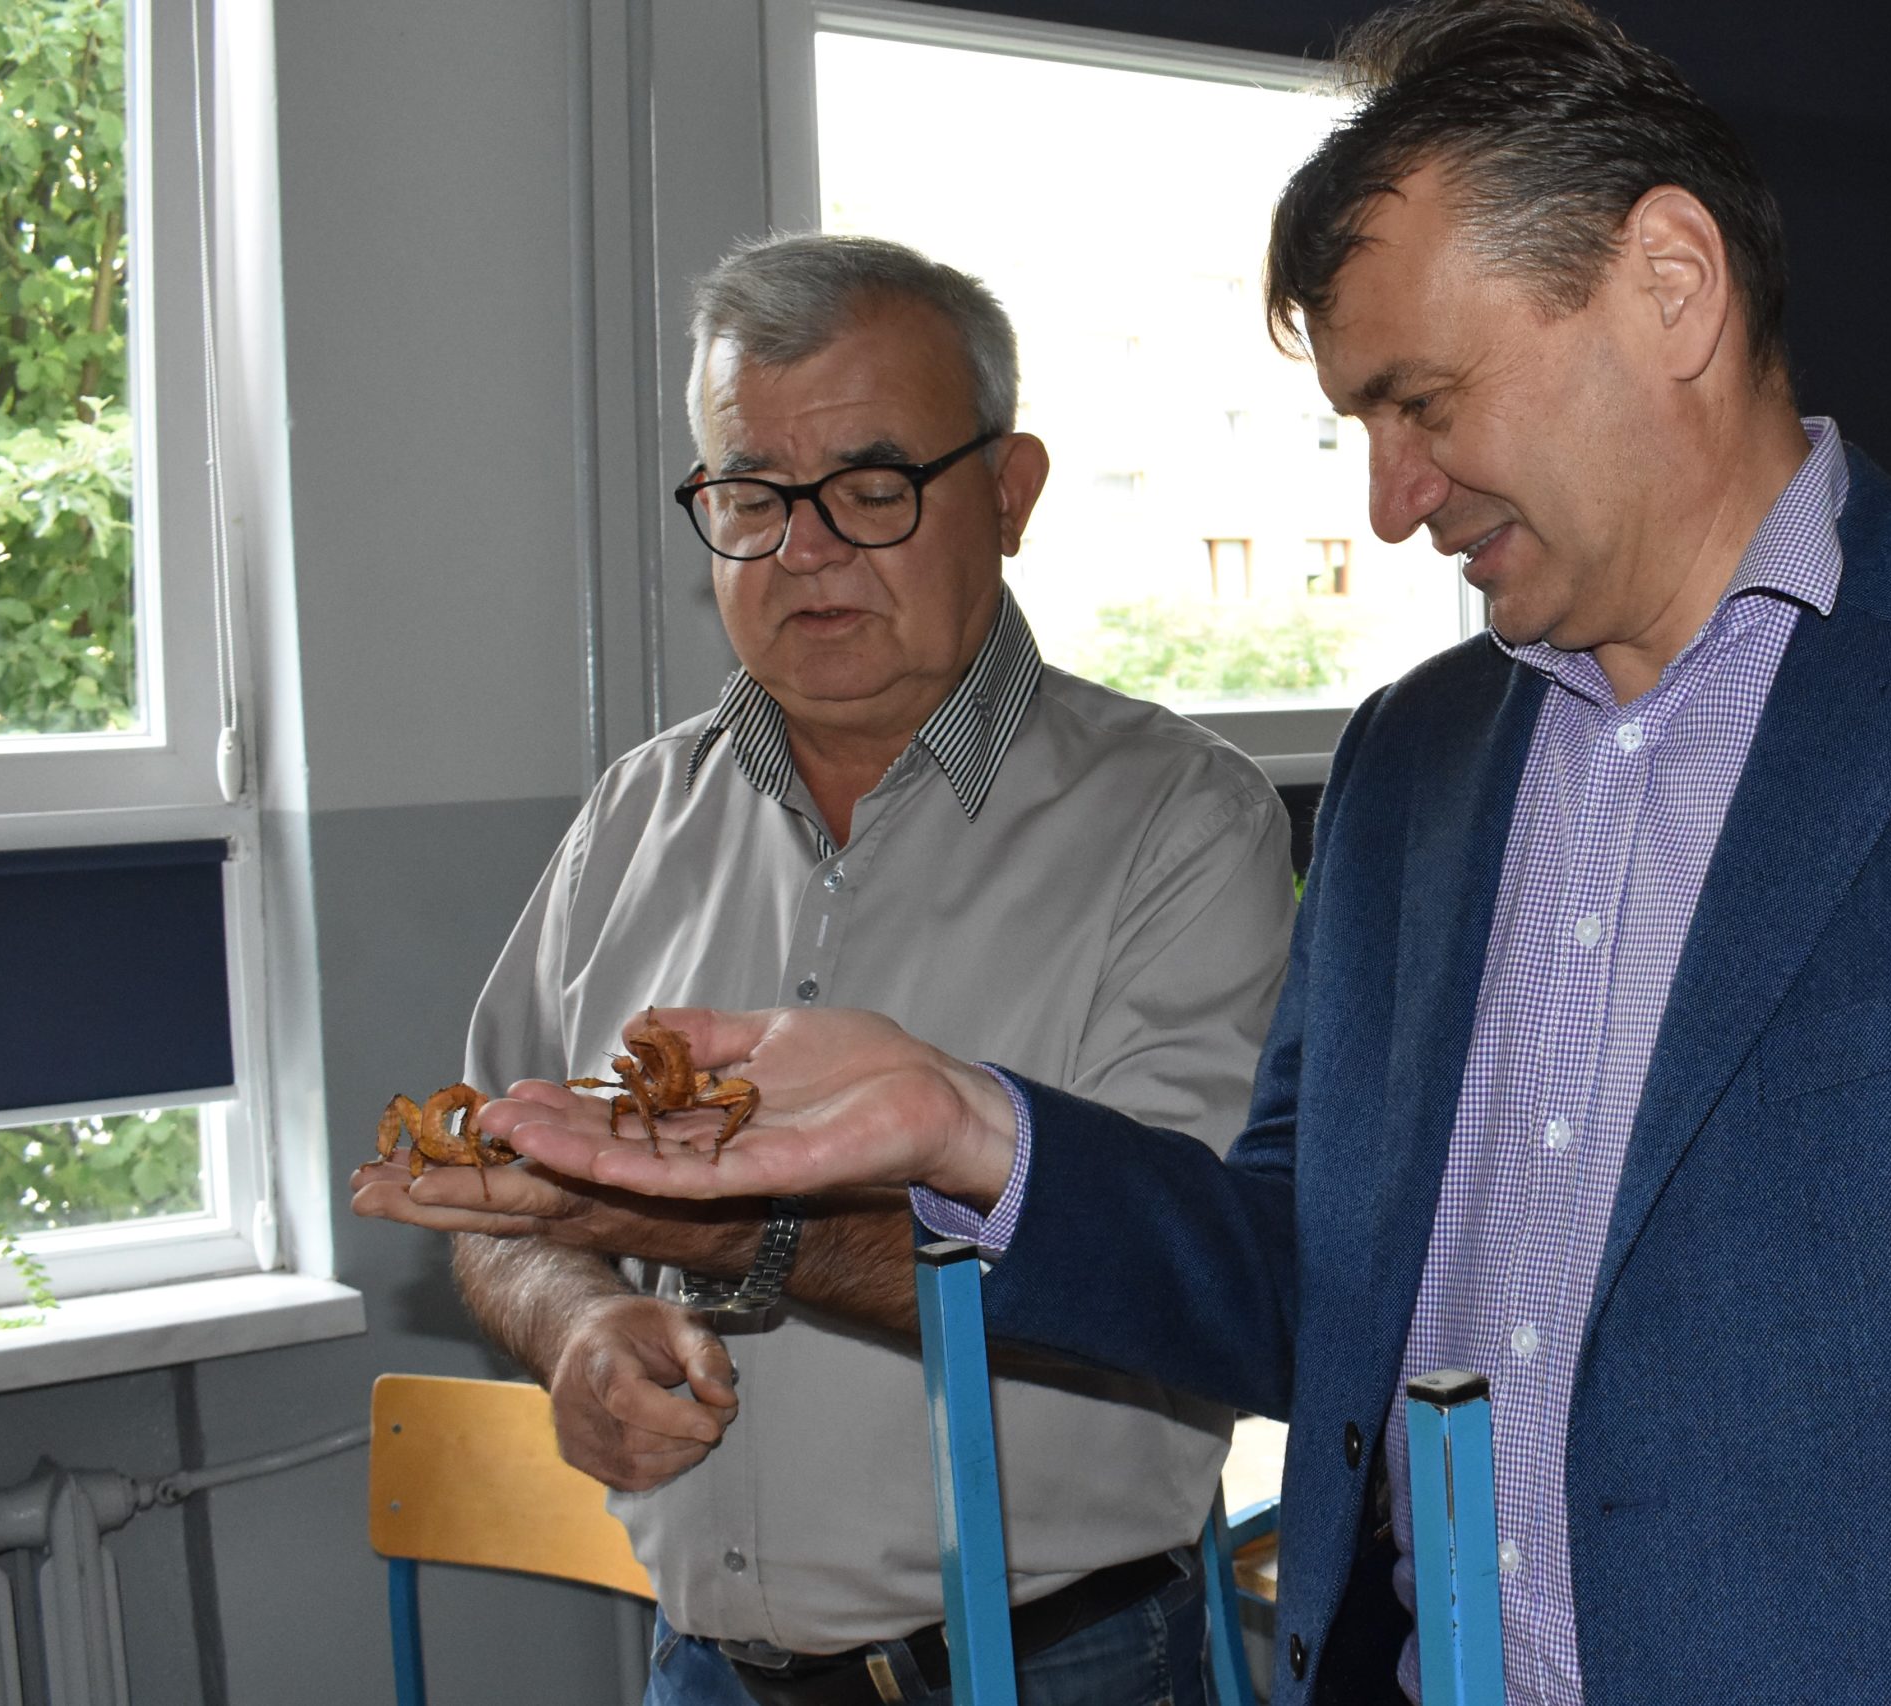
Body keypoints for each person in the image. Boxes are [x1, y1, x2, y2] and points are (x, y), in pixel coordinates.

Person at [486, 5, 1891, 1703]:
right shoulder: (1416, 760)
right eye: (1364, 423)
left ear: (1670, 288)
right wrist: (965, 1121)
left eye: (1422, 402)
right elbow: (1298, 1288)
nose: (1393, 499)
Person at [350, 232, 1296, 1706]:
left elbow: (1175, 1290)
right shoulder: (633, 817)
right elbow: (503, 1195)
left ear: (1010, 492)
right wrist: (576, 1320)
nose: (804, 549)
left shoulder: (1184, 823)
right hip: (704, 1668)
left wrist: (722, 1227)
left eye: (871, 485)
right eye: (751, 495)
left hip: (1057, 1665)